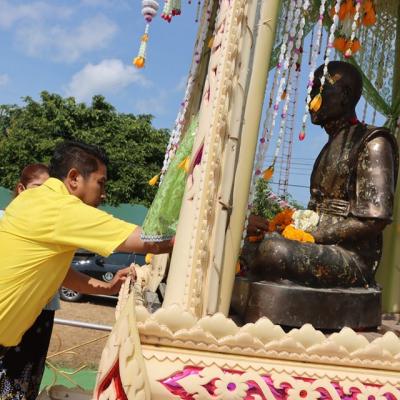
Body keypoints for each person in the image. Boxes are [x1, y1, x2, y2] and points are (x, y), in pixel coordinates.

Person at [0, 141, 172, 398]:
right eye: (100, 183)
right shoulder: (60, 209)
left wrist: (108, 288)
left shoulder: (33, 199)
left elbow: (61, 273)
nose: (104, 194)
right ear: (74, 178)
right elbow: (150, 242)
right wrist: (199, 231)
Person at [247, 61, 398, 288]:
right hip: (319, 245)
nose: (311, 99)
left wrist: (313, 236)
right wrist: (281, 227)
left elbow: (373, 220)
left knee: (273, 251)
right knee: (246, 244)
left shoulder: (373, 141)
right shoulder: (331, 145)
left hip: (350, 256)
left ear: (345, 95)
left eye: (319, 90)